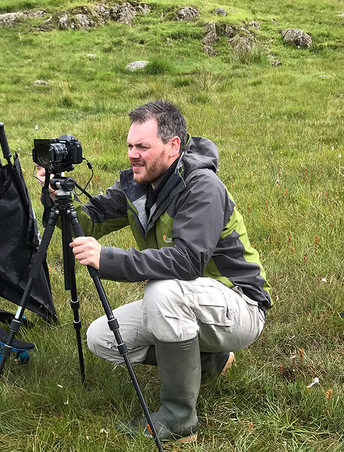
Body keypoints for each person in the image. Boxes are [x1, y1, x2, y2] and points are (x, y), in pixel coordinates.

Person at [39, 100, 271, 443]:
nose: (133, 154)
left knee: (162, 290)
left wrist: (109, 259)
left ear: (173, 145)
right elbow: (82, 223)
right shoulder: (136, 185)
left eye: (143, 147)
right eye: (130, 145)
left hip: (239, 304)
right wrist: (52, 194)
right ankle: (211, 362)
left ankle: (179, 421)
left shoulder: (201, 186)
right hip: (192, 300)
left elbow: (187, 262)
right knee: (102, 337)